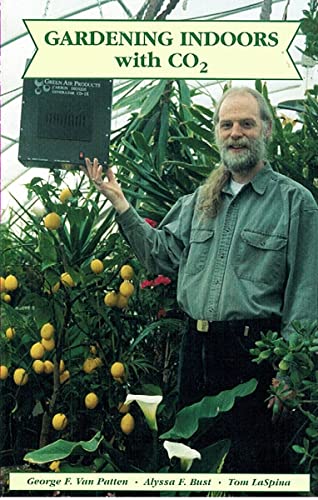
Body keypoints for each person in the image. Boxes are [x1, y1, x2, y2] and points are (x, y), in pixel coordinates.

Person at [81, 87, 318, 473]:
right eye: (227, 125)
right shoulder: (198, 201)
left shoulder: (295, 203)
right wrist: (119, 202)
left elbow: (307, 294)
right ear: (217, 133)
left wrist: (289, 375)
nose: (235, 133)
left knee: (249, 470)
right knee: (194, 465)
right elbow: (160, 254)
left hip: (255, 358)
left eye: (246, 123)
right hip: (197, 352)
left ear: (267, 130)